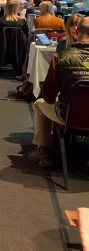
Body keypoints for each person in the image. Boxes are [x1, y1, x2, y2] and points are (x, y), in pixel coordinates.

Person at [30, 18, 89, 166]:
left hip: (69, 116)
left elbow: (49, 97)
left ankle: (43, 150)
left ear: (77, 31)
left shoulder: (60, 57)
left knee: (39, 104)